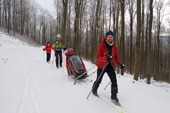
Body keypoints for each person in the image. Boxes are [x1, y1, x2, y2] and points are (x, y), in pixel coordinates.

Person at [92, 30, 124, 105]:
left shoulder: (114, 46)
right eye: (109, 36)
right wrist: (105, 59)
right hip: (101, 66)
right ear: (106, 37)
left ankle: (114, 96)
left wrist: (120, 64)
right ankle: (94, 89)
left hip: (110, 66)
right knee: (99, 79)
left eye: (111, 37)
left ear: (113, 37)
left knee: (114, 80)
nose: (110, 38)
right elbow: (98, 57)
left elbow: (116, 56)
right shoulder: (102, 45)